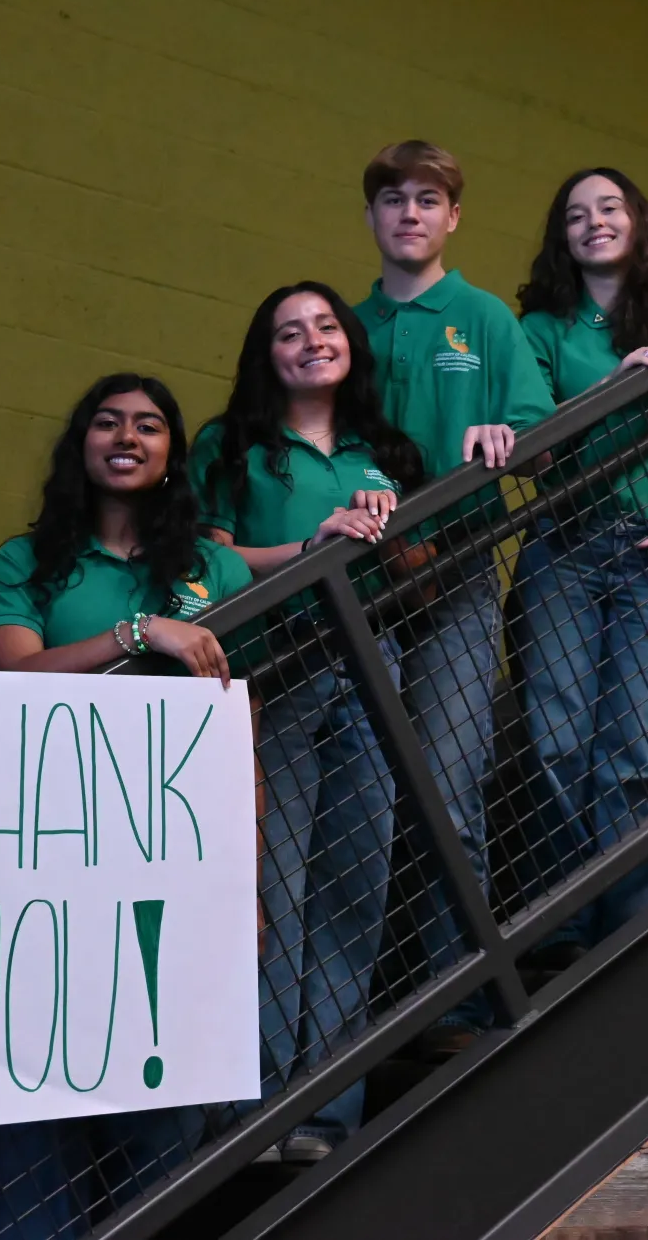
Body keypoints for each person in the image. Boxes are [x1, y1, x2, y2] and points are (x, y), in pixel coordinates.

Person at [0, 373, 248, 1233]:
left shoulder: (220, 569)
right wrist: (139, 635)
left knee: (165, 1091)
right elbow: (13, 677)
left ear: (173, 451)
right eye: (106, 422)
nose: (126, 437)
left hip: (178, 854)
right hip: (51, 852)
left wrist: (246, 871)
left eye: (148, 425)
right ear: (81, 445)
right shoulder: (28, 560)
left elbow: (242, 720)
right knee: (38, 1088)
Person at [191, 282, 425, 1162]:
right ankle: (253, 1116)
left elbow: (423, 570)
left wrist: (397, 540)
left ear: (350, 345)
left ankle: (326, 1114)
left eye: (326, 326)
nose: (311, 341)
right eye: (290, 332)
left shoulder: (385, 448)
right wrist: (309, 550)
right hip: (272, 675)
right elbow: (203, 557)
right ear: (268, 352)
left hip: (371, 666)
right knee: (271, 891)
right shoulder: (233, 444)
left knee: (354, 893)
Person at [352, 140, 556, 1061]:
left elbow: (541, 435)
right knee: (353, 812)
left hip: (463, 570)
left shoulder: (484, 319)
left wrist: (507, 434)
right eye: (392, 199)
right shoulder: (339, 330)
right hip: (359, 584)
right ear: (372, 218)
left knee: (450, 790)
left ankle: (454, 1000)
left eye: (427, 200)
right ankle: (351, 1029)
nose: (409, 213)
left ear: (452, 217)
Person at [514, 168, 648, 975]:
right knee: (556, 740)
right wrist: (619, 381)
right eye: (576, 214)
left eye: (608, 208)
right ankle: (568, 917)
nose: (593, 222)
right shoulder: (537, 332)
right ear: (562, 238)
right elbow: (531, 457)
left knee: (632, 751)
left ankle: (627, 925)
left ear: (637, 223)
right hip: (565, 547)